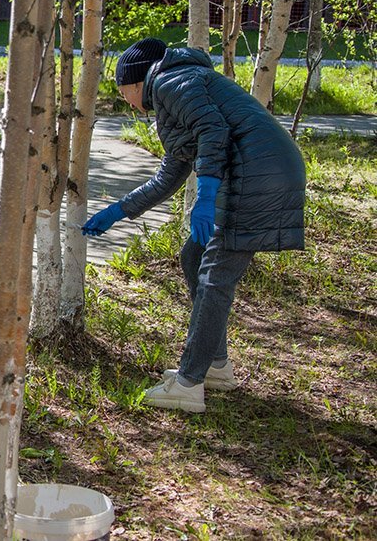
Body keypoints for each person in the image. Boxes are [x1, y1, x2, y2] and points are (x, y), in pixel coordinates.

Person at [83, 37, 305, 413]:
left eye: (123, 92)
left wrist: (205, 194)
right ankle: (215, 365)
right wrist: (118, 212)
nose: (126, 101)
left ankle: (188, 383)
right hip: (259, 172)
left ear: (136, 82)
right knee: (193, 258)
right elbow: (169, 175)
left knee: (214, 277)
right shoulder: (176, 90)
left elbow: (213, 132)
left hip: (257, 177)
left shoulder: (171, 82)